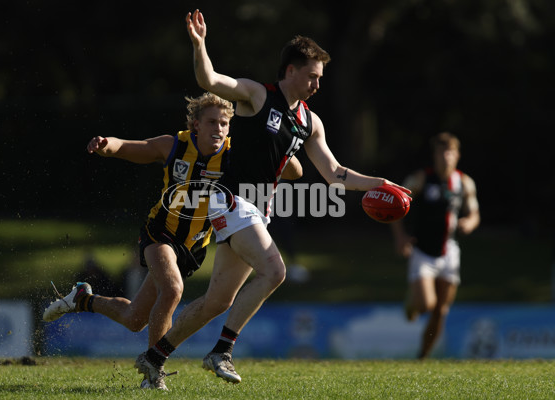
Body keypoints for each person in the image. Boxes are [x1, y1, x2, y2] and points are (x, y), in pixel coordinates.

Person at [133, 9, 411, 390]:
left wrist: (381, 182)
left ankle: (154, 357)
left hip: (256, 212)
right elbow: (210, 80)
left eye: (320, 78)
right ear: (291, 70)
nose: (317, 84)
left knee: (217, 302)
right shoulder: (258, 95)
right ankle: (221, 351)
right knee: (275, 271)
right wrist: (199, 45)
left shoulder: (311, 122)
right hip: (229, 201)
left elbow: (334, 174)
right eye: (312, 76)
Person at [42, 92, 302, 389]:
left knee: (134, 318)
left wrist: (275, 148)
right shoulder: (175, 145)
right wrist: (106, 145)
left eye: (225, 124)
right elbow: (130, 147)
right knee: (173, 289)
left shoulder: (235, 153)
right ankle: (155, 372)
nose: (219, 129)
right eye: (212, 122)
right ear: (195, 125)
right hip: (160, 234)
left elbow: (290, 170)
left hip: (194, 248)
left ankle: (82, 299)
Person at [391, 132, 480, 359]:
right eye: (441, 152)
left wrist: (469, 223)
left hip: (449, 251)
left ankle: (423, 357)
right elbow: (396, 205)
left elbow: (474, 213)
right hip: (422, 251)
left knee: (441, 310)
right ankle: (411, 304)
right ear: (435, 155)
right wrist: (400, 237)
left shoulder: (464, 182)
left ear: (457, 156)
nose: (446, 157)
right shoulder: (420, 179)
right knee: (426, 305)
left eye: (450, 152)